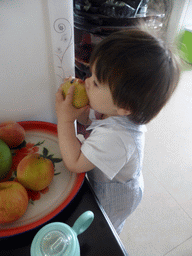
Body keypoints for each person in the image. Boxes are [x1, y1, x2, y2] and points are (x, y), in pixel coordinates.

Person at [55, 26, 180, 234]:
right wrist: (77, 108)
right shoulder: (112, 109)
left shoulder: (116, 138)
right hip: (115, 174)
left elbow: (75, 162)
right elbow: (88, 120)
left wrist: (65, 121)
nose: (85, 82)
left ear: (124, 106)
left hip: (114, 194)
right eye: (91, 74)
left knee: (104, 227)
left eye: (95, 82)